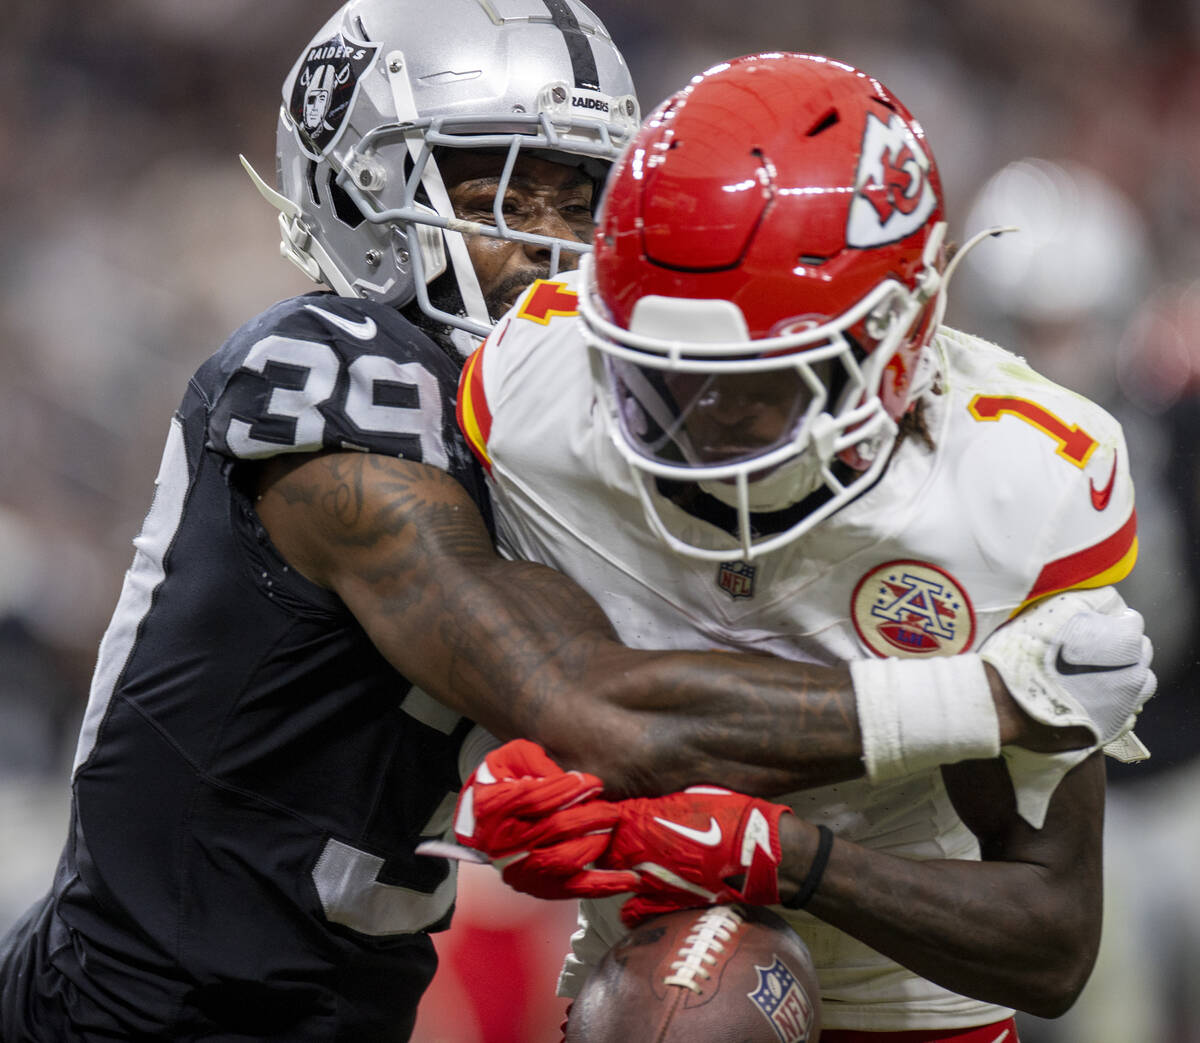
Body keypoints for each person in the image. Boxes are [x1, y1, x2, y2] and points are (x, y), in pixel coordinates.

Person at [0, 10, 1148, 1040]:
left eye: (575, 197)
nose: (547, 245)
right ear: (361, 186)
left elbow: (605, 698)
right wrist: (988, 694)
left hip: (338, 994)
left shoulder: (573, 393)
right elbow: (593, 698)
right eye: (498, 193)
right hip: (138, 1000)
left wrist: (632, 806)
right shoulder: (331, 370)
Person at [450, 52, 1156, 1041]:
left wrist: (789, 855)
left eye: (756, 385)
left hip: (911, 972)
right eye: (659, 381)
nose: (698, 425)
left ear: (902, 340)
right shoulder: (534, 393)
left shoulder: (1011, 487)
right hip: (642, 947)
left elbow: (1050, 943)